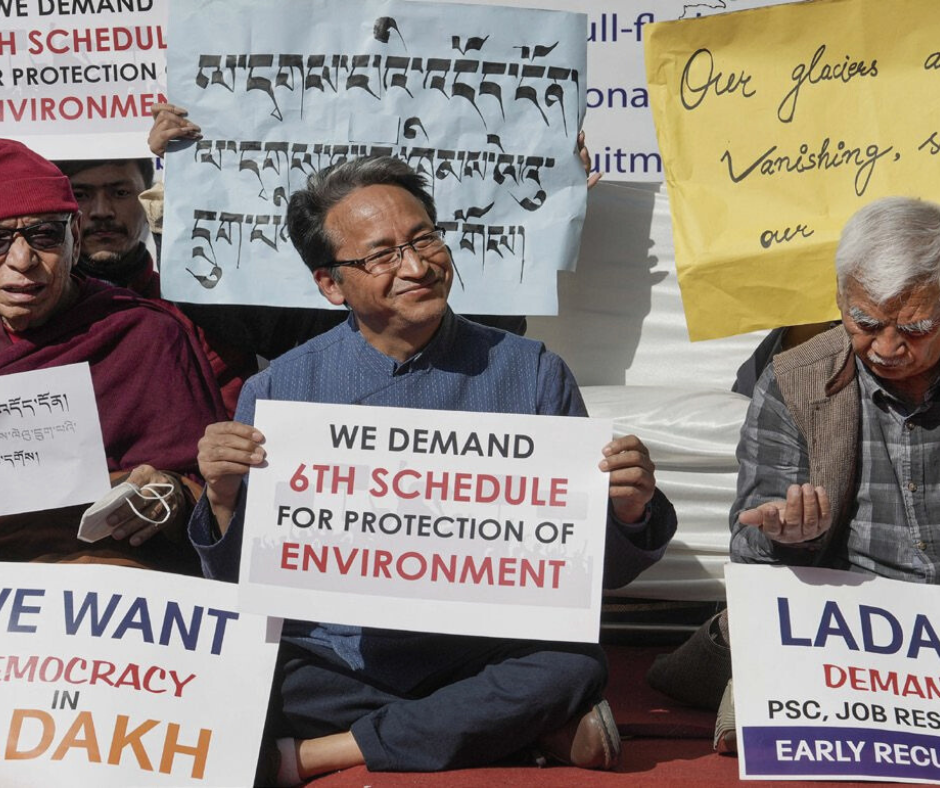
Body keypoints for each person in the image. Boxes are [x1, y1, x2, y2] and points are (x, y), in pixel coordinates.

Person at [190, 156, 676, 783]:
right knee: (250, 677)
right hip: (337, 659)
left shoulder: (530, 371)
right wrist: (225, 497)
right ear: (331, 285)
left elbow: (585, 576)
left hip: (482, 650)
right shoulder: (280, 389)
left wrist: (627, 511)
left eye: (425, 239)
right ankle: (506, 729)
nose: (417, 267)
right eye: (382, 256)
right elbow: (243, 583)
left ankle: (316, 754)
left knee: (571, 666)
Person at [648, 195, 940, 750]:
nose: (887, 347)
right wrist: (791, 536)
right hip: (853, 619)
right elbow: (754, 556)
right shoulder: (796, 382)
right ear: (838, 298)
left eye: (917, 326)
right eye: (866, 322)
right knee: (764, 634)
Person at [0, 139, 228, 573]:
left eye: (45, 236)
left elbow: (207, 492)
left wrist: (169, 495)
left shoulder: (142, 334)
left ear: (75, 236)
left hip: (106, 592)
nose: (22, 259)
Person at [54, 157, 257, 416]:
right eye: (81, 194)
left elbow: (232, 418)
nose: (101, 211)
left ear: (146, 196)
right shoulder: (33, 315)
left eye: (121, 193)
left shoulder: (194, 311)